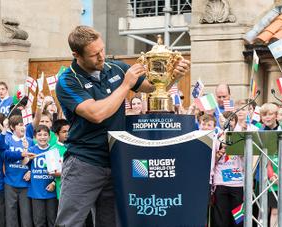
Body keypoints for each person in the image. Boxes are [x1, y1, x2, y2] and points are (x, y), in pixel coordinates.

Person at [55, 25, 190, 227]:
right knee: (69, 223)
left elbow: (152, 86)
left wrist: (174, 76)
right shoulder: (67, 80)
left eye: (102, 50)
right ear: (77, 55)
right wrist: (126, 85)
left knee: (110, 222)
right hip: (84, 162)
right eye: (94, 55)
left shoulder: (116, 68)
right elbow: (96, 114)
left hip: (117, 160)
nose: (101, 57)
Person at [2, 115, 35, 227]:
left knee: (26, 215)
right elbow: (6, 155)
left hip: (25, 184)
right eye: (20, 125)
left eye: (24, 125)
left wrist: (30, 171)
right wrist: (22, 153)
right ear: (12, 127)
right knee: (11, 214)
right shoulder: (7, 140)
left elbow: (33, 162)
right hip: (10, 182)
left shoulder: (30, 141)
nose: (23, 127)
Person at [27, 125, 57, 227]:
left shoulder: (53, 150)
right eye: (39, 135)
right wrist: (28, 170)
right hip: (36, 192)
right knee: (38, 221)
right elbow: (24, 164)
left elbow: (59, 171)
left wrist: (53, 183)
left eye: (45, 135)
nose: (42, 137)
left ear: (49, 137)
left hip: (51, 192)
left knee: (53, 220)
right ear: (35, 137)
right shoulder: (31, 150)